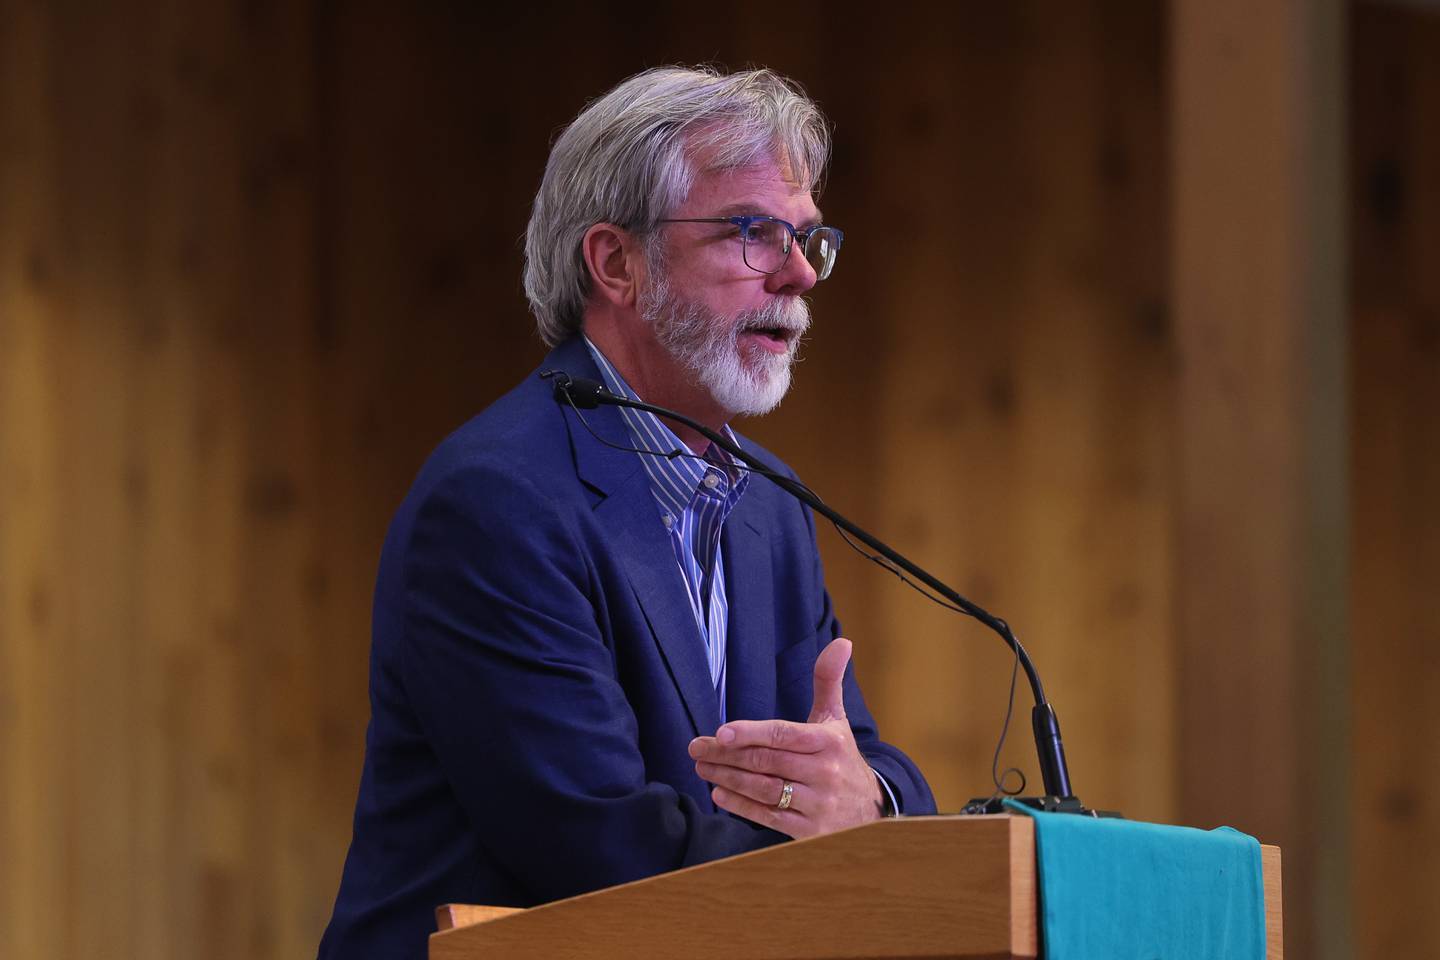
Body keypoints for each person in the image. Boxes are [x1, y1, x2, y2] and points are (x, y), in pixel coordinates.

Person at [318, 65, 935, 959]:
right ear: (617, 263)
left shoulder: (769, 504)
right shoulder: (498, 500)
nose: (800, 274)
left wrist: (869, 802)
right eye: (752, 233)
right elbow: (599, 845)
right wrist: (836, 837)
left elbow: (861, 759)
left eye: (807, 239)